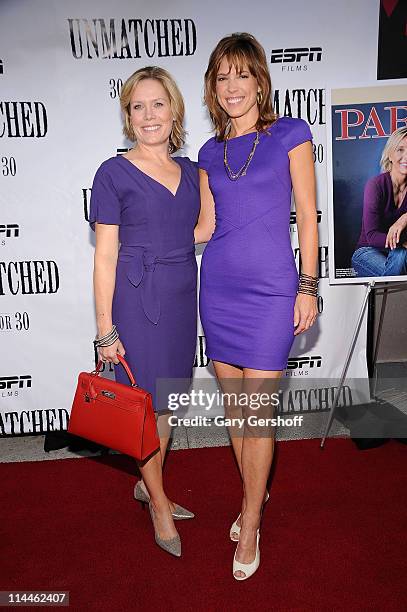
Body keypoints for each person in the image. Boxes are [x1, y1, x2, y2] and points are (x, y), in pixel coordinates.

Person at [195, 33, 318, 580]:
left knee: (258, 410)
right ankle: (253, 496)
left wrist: (308, 286)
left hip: (272, 291)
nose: (232, 85)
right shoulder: (207, 153)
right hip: (218, 288)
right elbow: (205, 227)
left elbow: (309, 219)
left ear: (260, 80)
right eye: (222, 76)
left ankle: (250, 517)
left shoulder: (291, 133)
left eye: (241, 73)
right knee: (234, 411)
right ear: (212, 89)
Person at [89, 66, 200, 557]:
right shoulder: (112, 173)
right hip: (137, 298)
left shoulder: (194, 170)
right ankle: (157, 501)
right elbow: (105, 258)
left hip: (180, 295)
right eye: (138, 106)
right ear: (128, 116)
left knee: (169, 401)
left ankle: (149, 484)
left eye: (158, 104)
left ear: (174, 109)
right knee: (143, 406)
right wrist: (105, 330)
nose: (149, 114)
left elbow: (201, 232)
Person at [352, 127, 407, 277]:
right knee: (401, 255)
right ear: (390, 154)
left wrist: (404, 218)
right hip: (367, 251)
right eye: (400, 150)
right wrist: (403, 241)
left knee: (400, 256)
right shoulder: (376, 185)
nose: (406, 156)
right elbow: (372, 236)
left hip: (398, 253)